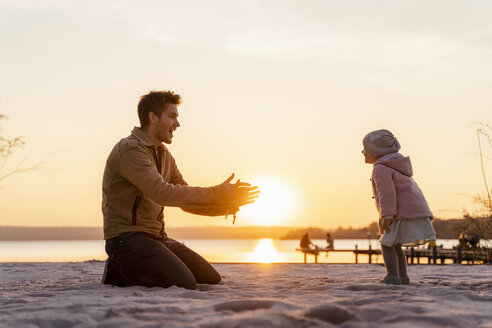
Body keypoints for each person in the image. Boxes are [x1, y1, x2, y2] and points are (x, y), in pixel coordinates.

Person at [101, 90, 259, 290]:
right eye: (172, 116)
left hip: (157, 237)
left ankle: (129, 267)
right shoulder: (131, 150)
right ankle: (120, 270)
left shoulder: (165, 155)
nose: (178, 124)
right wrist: (219, 192)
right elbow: (162, 193)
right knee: (183, 283)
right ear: (153, 117)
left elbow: (184, 199)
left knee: (210, 279)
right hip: (126, 239)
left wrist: (227, 205)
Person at [362, 129, 436, 285]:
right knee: (395, 245)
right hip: (412, 210)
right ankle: (403, 278)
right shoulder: (396, 165)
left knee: (386, 243)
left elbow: (387, 194)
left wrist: (387, 216)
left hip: (399, 212)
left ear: (376, 150)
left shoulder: (380, 168)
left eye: (366, 149)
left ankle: (393, 277)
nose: (363, 152)